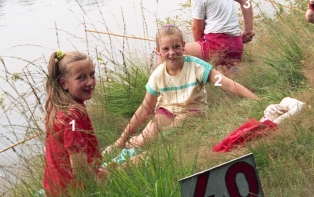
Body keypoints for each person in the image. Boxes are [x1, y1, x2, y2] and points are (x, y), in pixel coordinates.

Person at [105, 25, 259, 151]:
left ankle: (148, 154)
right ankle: (123, 152)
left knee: (167, 136)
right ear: (158, 51)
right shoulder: (158, 75)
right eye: (166, 49)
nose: (172, 53)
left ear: (184, 46)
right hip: (166, 111)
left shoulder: (196, 66)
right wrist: (120, 140)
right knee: (143, 140)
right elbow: (145, 108)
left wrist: (256, 99)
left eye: (176, 47)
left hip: (193, 110)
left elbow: (226, 83)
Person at [43, 50, 103, 197]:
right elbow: (79, 167)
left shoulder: (60, 108)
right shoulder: (73, 120)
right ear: (64, 84)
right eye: (81, 77)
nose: (90, 82)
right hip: (73, 195)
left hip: (55, 189)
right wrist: (102, 188)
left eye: (92, 74)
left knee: (114, 170)